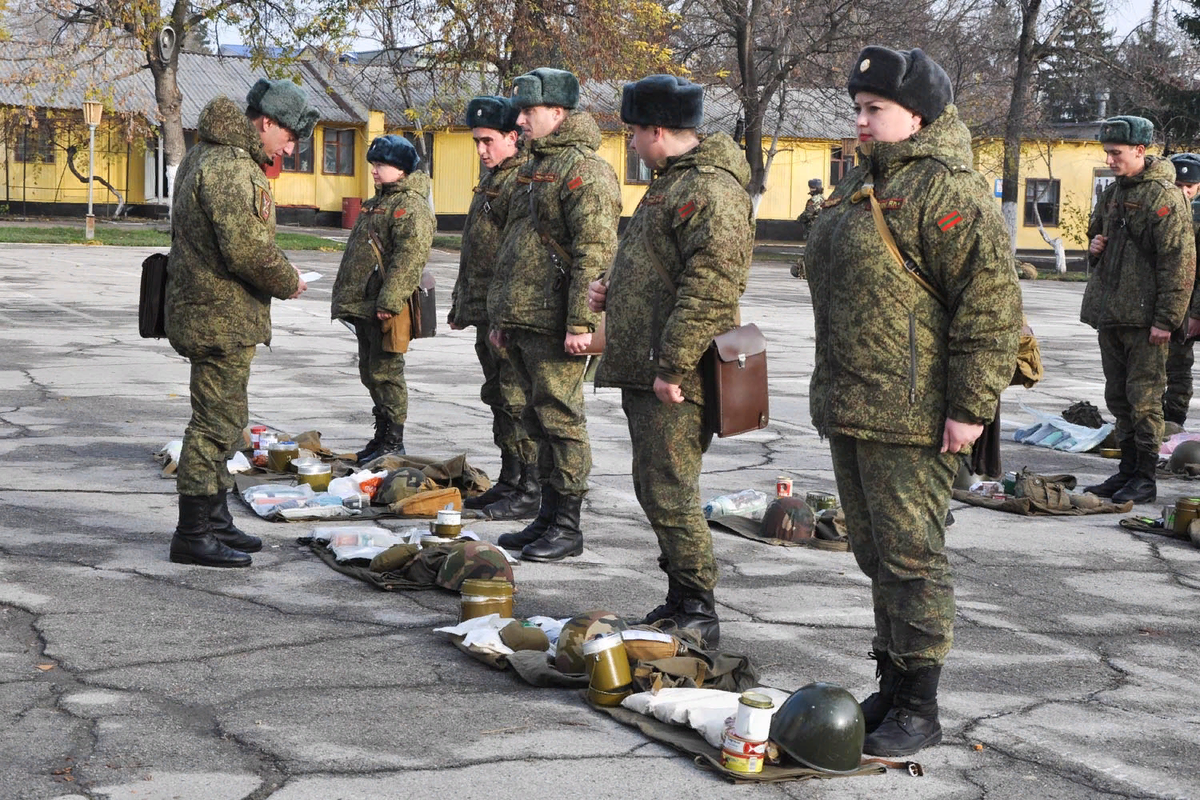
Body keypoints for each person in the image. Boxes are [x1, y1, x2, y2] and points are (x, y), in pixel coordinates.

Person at [805, 47, 1022, 756]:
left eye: (875, 110)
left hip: (918, 414)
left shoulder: (949, 191)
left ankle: (921, 707)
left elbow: (988, 310)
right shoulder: (856, 186)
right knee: (875, 554)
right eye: (858, 108)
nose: (860, 121)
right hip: (856, 402)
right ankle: (894, 682)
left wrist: (970, 405)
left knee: (912, 558)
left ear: (918, 115)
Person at [588, 75, 752, 648]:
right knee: (657, 484)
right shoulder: (672, 184)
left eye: (634, 131)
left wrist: (674, 367)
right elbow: (661, 264)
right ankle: (681, 597)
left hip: (675, 373)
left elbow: (709, 287)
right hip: (652, 364)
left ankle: (697, 608)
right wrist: (615, 286)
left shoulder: (708, 189)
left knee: (670, 486)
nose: (630, 141)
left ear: (658, 130)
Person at [165, 79, 318, 568]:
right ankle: (192, 532)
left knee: (227, 420)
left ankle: (214, 518)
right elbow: (247, 250)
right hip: (219, 317)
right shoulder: (232, 166)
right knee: (213, 426)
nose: (289, 149)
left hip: (212, 311)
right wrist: (288, 278)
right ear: (267, 122)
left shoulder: (205, 153)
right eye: (290, 137)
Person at [488, 67, 621, 562]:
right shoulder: (530, 167)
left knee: (562, 421)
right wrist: (500, 314)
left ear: (559, 113)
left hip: (555, 322)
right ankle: (546, 515)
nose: (520, 119)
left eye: (530, 111)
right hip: (523, 316)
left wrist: (581, 323)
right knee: (537, 419)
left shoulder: (585, 169)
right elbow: (511, 246)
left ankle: (568, 524)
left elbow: (595, 251)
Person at [1082, 117, 1197, 503]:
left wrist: (1167, 320)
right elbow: (1095, 237)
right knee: (1118, 397)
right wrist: (1094, 246)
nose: (1110, 160)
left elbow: (1179, 263)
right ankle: (1127, 471)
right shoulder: (1113, 193)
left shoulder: (1165, 197)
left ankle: (1145, 477)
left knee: (1145, 399)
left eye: (1116, 153)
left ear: (1139, 151)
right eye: (1107, 153)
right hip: (1111, 313)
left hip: (1145, 319)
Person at [448, 96, 539, 520]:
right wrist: (462, 304)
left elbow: (516, 255)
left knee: (516, 398)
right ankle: (510, 477)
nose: (481, 150)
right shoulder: (492, 179)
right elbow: (476, 251)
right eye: (476, 142)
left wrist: (502, 313)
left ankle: (530, 485)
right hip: (486, 310)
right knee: (498, 396)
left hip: (506, 312)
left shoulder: (520, 181)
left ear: (512, 137)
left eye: (488, 141)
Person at [331, 135, 435, 463]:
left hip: (386, 306)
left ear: (402, 169)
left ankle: (394, 440)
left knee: (387, 372)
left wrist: (389, 302)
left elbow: (410, 257)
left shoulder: (411, 205)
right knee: (370, 371)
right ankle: (381, 437)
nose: (374, 171)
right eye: (373, 165)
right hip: (366, 304)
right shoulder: (380, 201)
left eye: (382, 165)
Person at [1162, 152, 1200, 430]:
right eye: (1179, 185)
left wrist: (1196, 312)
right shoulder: (1162, 210)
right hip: (1165, 300)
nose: (1184, 191)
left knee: (1179, 366)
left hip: (1190, 305)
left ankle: (1174, 420)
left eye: (1191, 186)